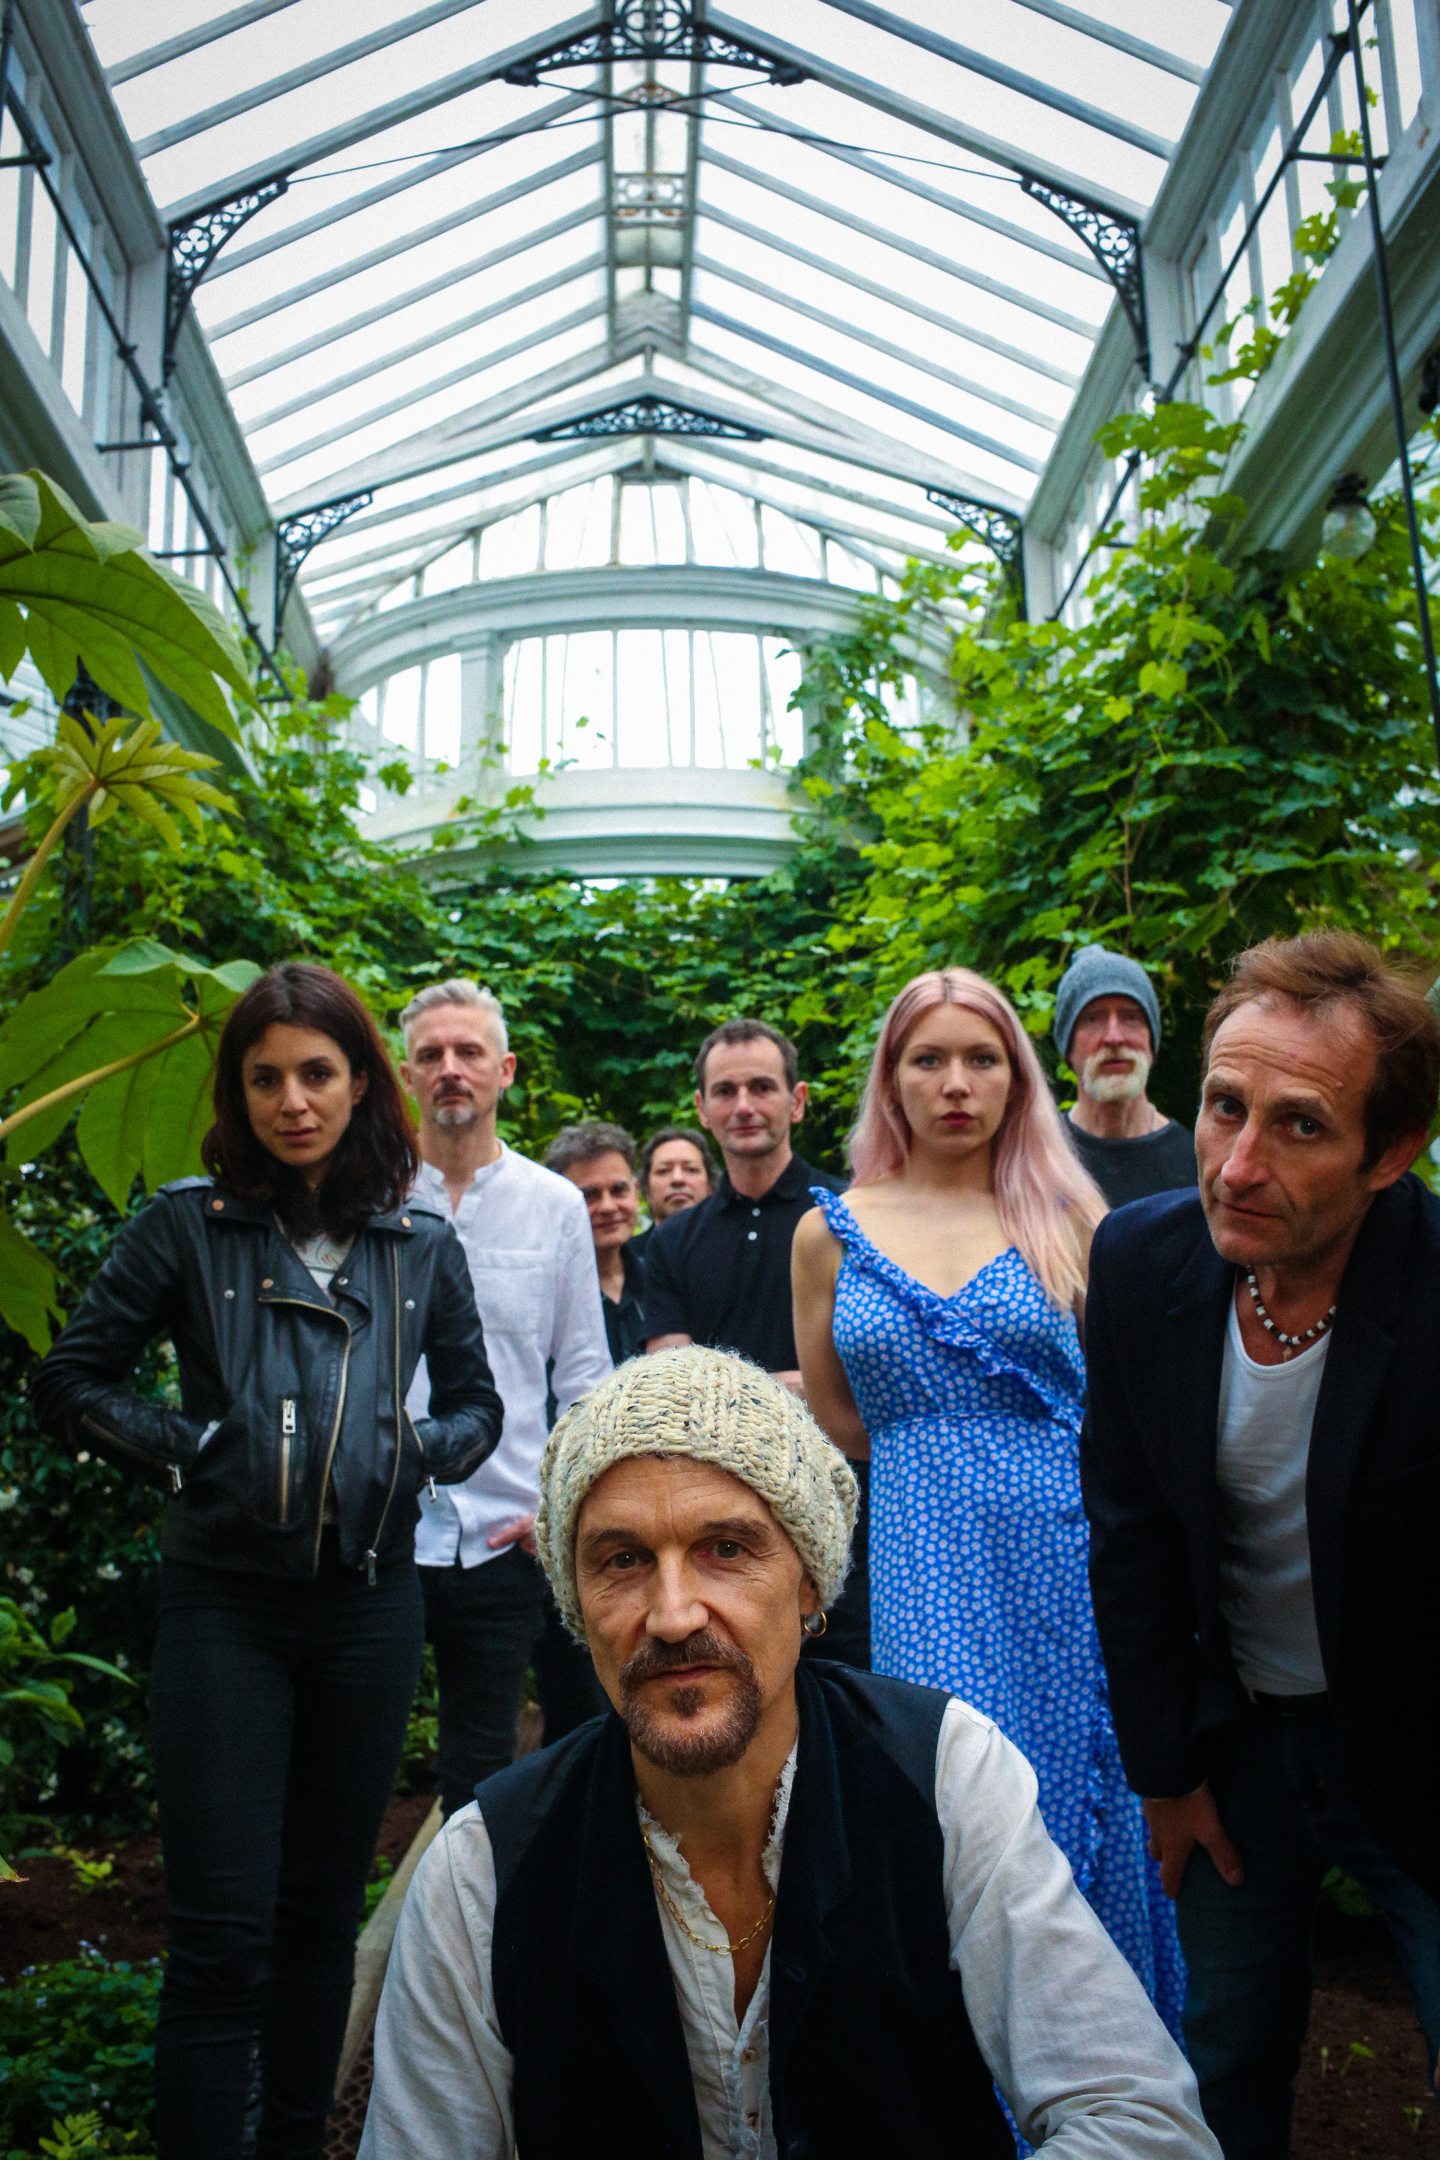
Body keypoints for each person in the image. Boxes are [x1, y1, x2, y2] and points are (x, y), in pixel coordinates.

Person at [358, 1347, 1219, 2160]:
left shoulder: (944, 1777)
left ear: (810, 1581)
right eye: (622, 1560)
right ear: (578, 1607)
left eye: (725, 1550)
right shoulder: (483, 1875)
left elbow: (1141, 2120)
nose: (673, 1614)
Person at [30, 963, 502, 2160]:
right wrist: (199, 1449)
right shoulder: (189, 1224)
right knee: (222, 1934)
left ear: (361, 1087)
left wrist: (407, 1454)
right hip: (224, 1608)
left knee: (314, 1925)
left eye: (316, 1073)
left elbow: (479, 1407)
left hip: (369, 1606)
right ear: (237, 1094)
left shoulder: (421, 1244)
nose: (292, 1100)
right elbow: (69, 1379)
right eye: (264, 1078)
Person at [1081, 931, 1440, 2160]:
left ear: (1390, 1153)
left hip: (1423, 1752)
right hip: (1234, 1757)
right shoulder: (1141, 1261)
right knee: (1220, 2055)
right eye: (1224, 1106)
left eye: (1297, 1126)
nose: (1237, 1164)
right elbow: (1128, 1537)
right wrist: (1166, 1771)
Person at [792, 966, 1184, 2038]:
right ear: (891, 1078)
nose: (956, 1083)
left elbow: (1127, 1410)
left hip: (1064, 1555)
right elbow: (839, 1419)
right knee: (952, 1806)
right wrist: (940, 1455)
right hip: (921, 1551)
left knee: (1069, 1797)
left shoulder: (1072, 1216)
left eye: (983, 1057)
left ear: (1017, 1077)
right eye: (930, 1058)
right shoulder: (829, 1231)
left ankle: (1099, 2075)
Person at [399, 980, 612, 1813]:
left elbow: (583, 1377)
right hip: (384, 1523)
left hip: (505, 1532)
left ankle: (474, 1932)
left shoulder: (554, 1205)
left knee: (482, 1766)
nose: (451, 1070)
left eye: (469, 1053)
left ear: (505, 1070)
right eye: (431, 1056)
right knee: (359, 1747)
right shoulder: (370, 1199)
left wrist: (559, 1508)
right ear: (407, 1075)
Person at [642, 1018, 868, 1669]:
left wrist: (728, 1388)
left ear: (795, 1101)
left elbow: (867, 1379)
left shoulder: (852, 1216)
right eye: (726, 1090)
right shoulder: (673, 1242)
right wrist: (803, 1385)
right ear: (702, 1109)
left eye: (762, 1087)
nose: (744, 1105)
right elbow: (672, 1386)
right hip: (719, 1524)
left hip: (850, 1521)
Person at [1053, 944, 1197, 1207]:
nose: (1114, 1038)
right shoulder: (1040, 1155)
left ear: (1151, 1040)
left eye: (1130, 1017)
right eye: (1092, 1019)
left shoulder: (1194, 1161)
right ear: (1067, 1048)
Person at [545, 1119, 648, 1363]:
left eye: (619, 1190)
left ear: (635, 1191)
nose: (608, 1207)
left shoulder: (661, 1283)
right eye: (589, 1195)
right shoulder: (545, 1296)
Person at [637, 1123, 717, 1237]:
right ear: (646, 1188)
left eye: (691, 1170)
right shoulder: (627, 1253)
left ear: (710, 1185)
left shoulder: (735, 1247)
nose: (677, 1179)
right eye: (663, 1171)